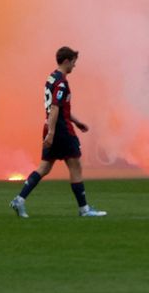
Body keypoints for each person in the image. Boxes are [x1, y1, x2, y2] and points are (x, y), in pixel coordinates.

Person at [10, 47, 106, 219]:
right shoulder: (61, 83)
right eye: (74, 62)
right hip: (61, 130)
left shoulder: (51, 78)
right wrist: (53, 133)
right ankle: (84, 209)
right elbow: (55, 107)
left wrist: (76, 122)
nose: (74, 66)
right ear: (66, 61)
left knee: (44, 167)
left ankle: (19, 199)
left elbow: (59, 107)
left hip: (51, 126)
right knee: (75, 165)